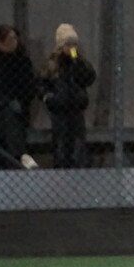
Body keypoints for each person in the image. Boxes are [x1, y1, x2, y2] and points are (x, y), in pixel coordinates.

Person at [0, 24, 39, 169]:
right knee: (5, 113)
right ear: (0, 42)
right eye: (10, 39)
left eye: (15, 38)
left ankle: (6, 166)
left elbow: (30, 89)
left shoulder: (22, 63)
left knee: (3, 128)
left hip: (15, 112)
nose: (14, 42)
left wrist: (17, 101)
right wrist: (6, 101)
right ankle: (21, 154)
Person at [41, 23, 96, 168]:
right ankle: (61, 168)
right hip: (59, 109)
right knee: (61, 144)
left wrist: (78, 63)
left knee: (78, 144)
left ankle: (78, 167)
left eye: (74, 44)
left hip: (76, 108)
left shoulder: (78, 62)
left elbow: (89, 78)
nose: (72, 48)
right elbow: (42, 83)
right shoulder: (52, 64)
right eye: (68, 44)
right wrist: (48, 98)